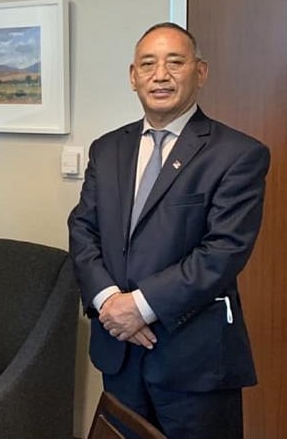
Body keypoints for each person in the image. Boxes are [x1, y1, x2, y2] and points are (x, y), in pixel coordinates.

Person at [68, 22, 269, 439]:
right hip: (118, 350)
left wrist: (138, 306)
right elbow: (83, 228)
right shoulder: (107, 149)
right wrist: (109, 303)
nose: (160, 75)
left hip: (193, 360)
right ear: (133, 76)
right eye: (148, 64)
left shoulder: (238, 154)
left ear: (201, 71)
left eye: (175, 62)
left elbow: (222, 252)